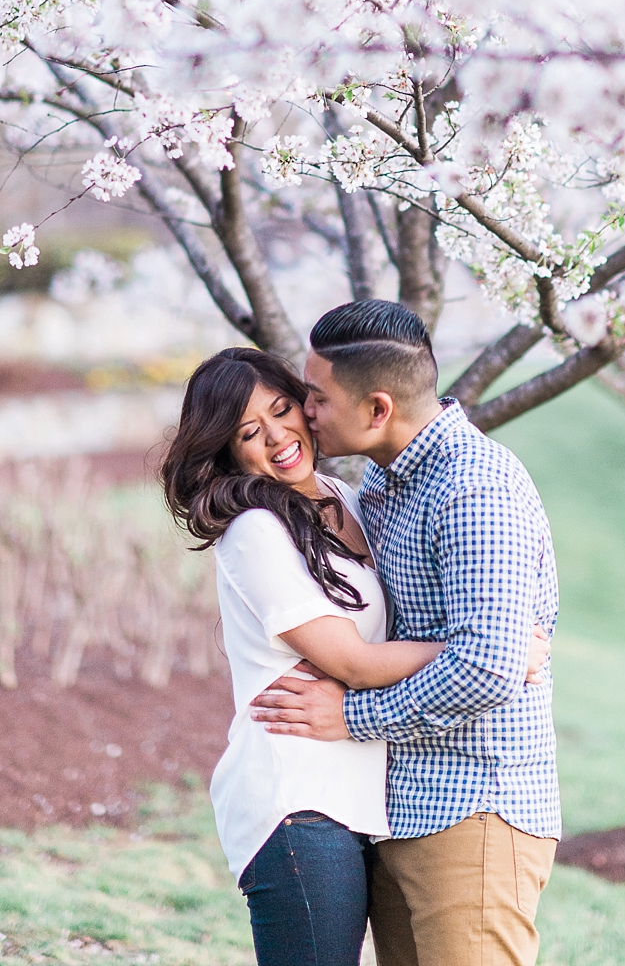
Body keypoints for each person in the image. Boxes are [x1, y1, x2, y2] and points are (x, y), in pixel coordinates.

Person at [161, 345, 549, 966]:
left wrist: (497, 642)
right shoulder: (256, 529)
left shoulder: (350, 497)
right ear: (229, 450)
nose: (278, 436)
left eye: (285, 409)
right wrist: (489, 647)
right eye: (248, 433)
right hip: (297, 797)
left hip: (363, 798)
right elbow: (353, 662)